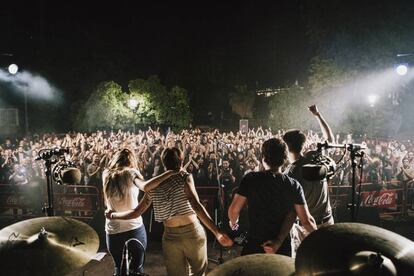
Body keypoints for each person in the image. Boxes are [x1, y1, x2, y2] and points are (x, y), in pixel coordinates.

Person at [106, 147, 233, 276]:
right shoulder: (184, 177)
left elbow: (136, 212)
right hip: (192, 233)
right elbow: (196, 205)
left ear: (163, 162)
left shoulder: (153, 185)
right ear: (182, 160)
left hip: (170, 237)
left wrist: (113, 215)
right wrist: (217, 232)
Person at [228, 138, 317, 256]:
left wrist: (234, 222)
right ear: (285, 159)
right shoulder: (293, 185)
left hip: (255, 243)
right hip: (281, 246)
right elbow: (306, 221)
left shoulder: (250, 179)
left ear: (263, 157)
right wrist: (322, 239)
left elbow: (234, 210)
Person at [103, 148, 178, 276]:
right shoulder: (131, 172)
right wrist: (170, 173)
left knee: (118, 268)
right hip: (133, 228)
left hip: (112, 230)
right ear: (131, 160)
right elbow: (145, 186)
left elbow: (106, 200)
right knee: (136, 270)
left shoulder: (106, 174)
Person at [282, 105, 335, 255]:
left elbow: (291, 210)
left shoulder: (289, 174)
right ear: (303, 144)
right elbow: (330, 139)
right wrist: (317, 115)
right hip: (327, 222)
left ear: (286, 147)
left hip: (305, 228)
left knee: (302, 265)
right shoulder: (315, 157)